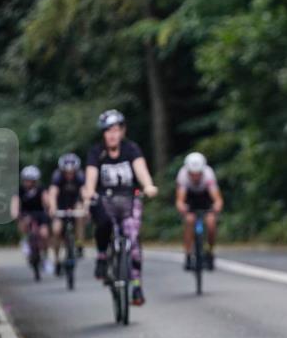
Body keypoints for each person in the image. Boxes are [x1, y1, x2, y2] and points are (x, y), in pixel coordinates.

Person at [81, 110, 159, 306]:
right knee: (104, 223)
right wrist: (90, 191)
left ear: (122, 131)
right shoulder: (96, 152)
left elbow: (140, 169)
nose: (112, 134)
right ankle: (101, 257)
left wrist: (148, 185)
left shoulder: (131, 149)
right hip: (104, 199)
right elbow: (91, 176)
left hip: (128, 199)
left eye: (116, 130)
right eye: (108, 130)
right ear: (103, 133)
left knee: (132, 241)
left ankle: (136, 286)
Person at [175, 152, 224, 271]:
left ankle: (209, 252)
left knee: (211, 223)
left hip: (205, 197)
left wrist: (216, 207)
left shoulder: (208, 175)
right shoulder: (182, 175)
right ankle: (188, 255)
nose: (195, 177)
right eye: (192, 174)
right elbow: (180, 200)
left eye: (198, 174)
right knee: (189, 221)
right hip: (190, 198)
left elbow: (217, 199)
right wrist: (182, 207)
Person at [45, 153, 86, 274]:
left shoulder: (79, 176)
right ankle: (57, 260)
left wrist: (85, 207)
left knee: (80, 215)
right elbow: (52, 193)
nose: (69, 174)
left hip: (74, 204)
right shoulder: (57, 176)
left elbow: (84, 192)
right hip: (60, 205)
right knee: (56, 230)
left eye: (72, 172)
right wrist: (53, 207)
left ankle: (79, 244)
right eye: (67, 172)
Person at [10, 165, 51, 272]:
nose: (28, 183)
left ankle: (45, 257)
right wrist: (15, 213)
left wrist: (49, 207)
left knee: (44, 234)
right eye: (26, 180)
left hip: (40, 213)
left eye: (31, 181)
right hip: (26, 213)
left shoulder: (41, 189)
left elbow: (47, 201)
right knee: (23, 222)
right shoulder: (20, 190)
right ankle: (25, 240)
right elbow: (15, 203)